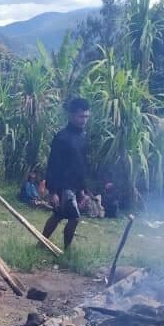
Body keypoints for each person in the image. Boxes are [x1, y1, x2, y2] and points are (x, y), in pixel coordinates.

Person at [42, 98, 90, 249]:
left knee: (58, 215)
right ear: (71, 115)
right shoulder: (61, 137)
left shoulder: (83, 137)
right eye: (80, 116)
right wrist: (53, 191)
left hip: (75, 186)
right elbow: (53, 165)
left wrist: (82, 190)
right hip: (63, 186)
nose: (84, 120)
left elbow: (82, 165)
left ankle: (41, 243)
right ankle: (67, 251)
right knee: (74, 218)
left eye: (86, 117)